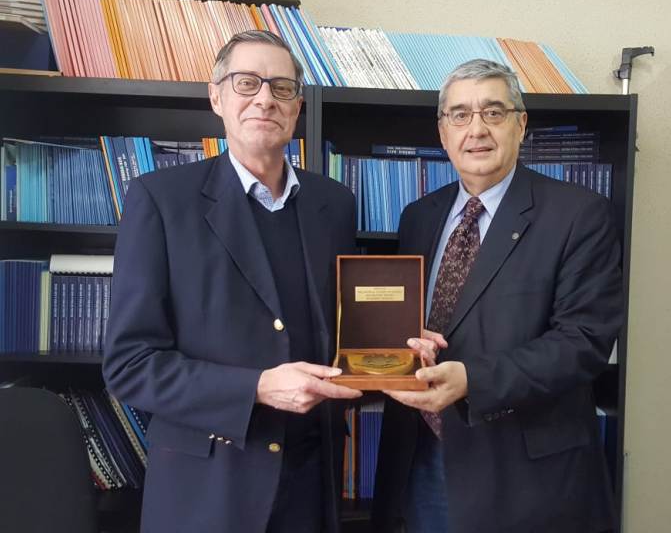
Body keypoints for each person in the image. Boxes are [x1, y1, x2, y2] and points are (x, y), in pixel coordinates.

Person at [103, 30, 362, 533]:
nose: (265, 98)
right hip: (208, 490)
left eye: (282, 87)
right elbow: (131, 365)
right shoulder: (161, 200)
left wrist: (397, 350)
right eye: (247, 82)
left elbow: (345, 330)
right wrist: (257, 388)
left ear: (297, 106)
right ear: (216, 96)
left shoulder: (334, 204)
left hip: (311, 485)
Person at [372, 59, 622, 533]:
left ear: (520, 124)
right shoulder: (418, 216)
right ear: (443, 132)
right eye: (460, 115)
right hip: (421, 461)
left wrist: (473, 380)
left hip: (524, 476)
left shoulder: (579, 214)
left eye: (493, 112)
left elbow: (583, 343)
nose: (477, 130)